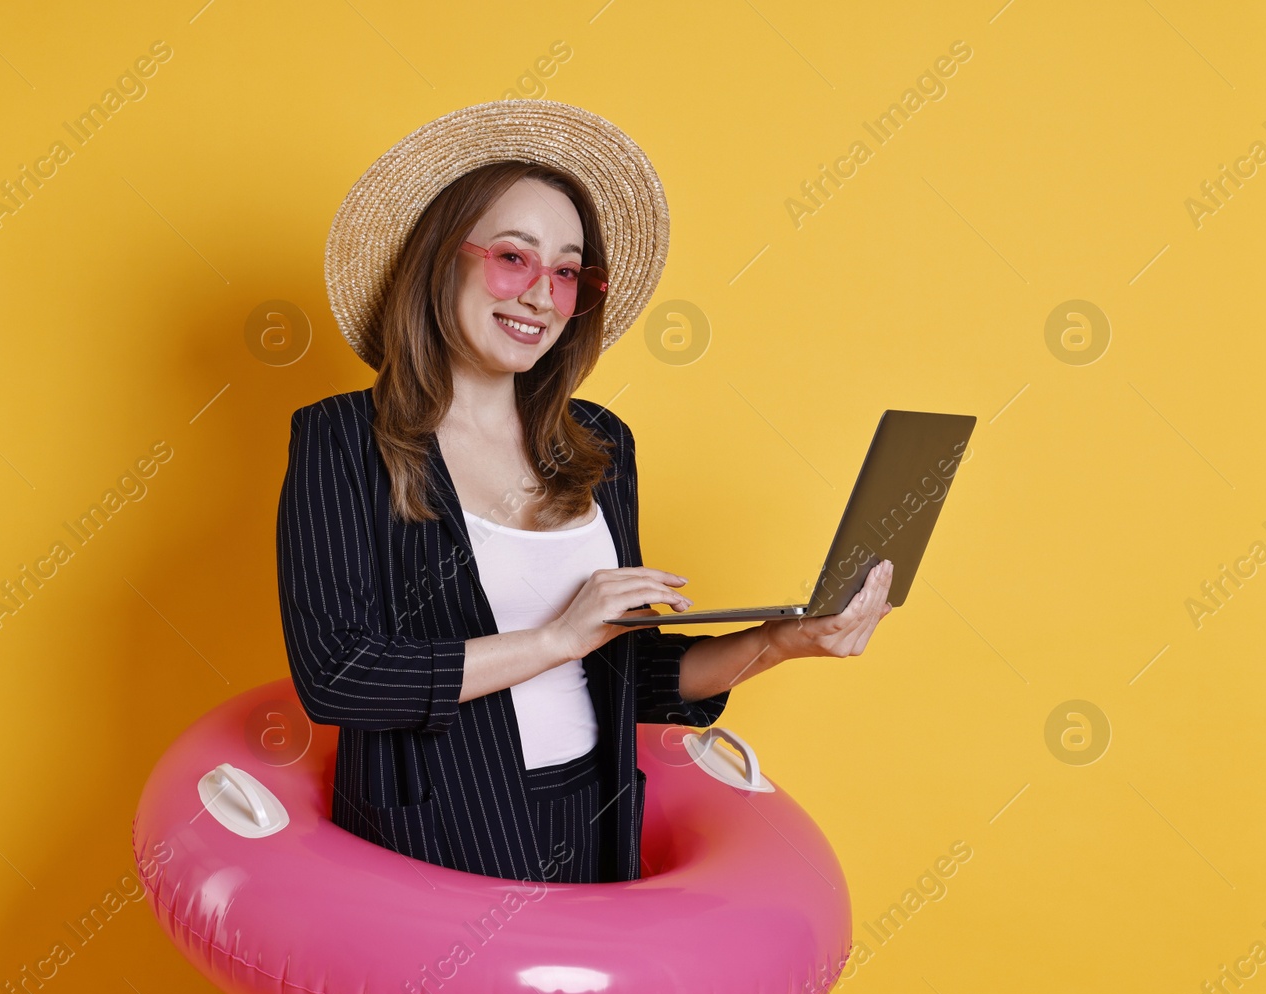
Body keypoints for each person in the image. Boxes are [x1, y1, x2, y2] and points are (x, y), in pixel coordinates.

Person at [277, 100, 892, 905]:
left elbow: (629, 671)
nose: (541, 294)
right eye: (512, 257)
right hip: (434, 831)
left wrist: (783, 640)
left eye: (567, 271)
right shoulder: (341, 438)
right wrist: (556, 636)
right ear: (439, 261)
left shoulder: (601, 443)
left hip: (595, 822)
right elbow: (338, 677)